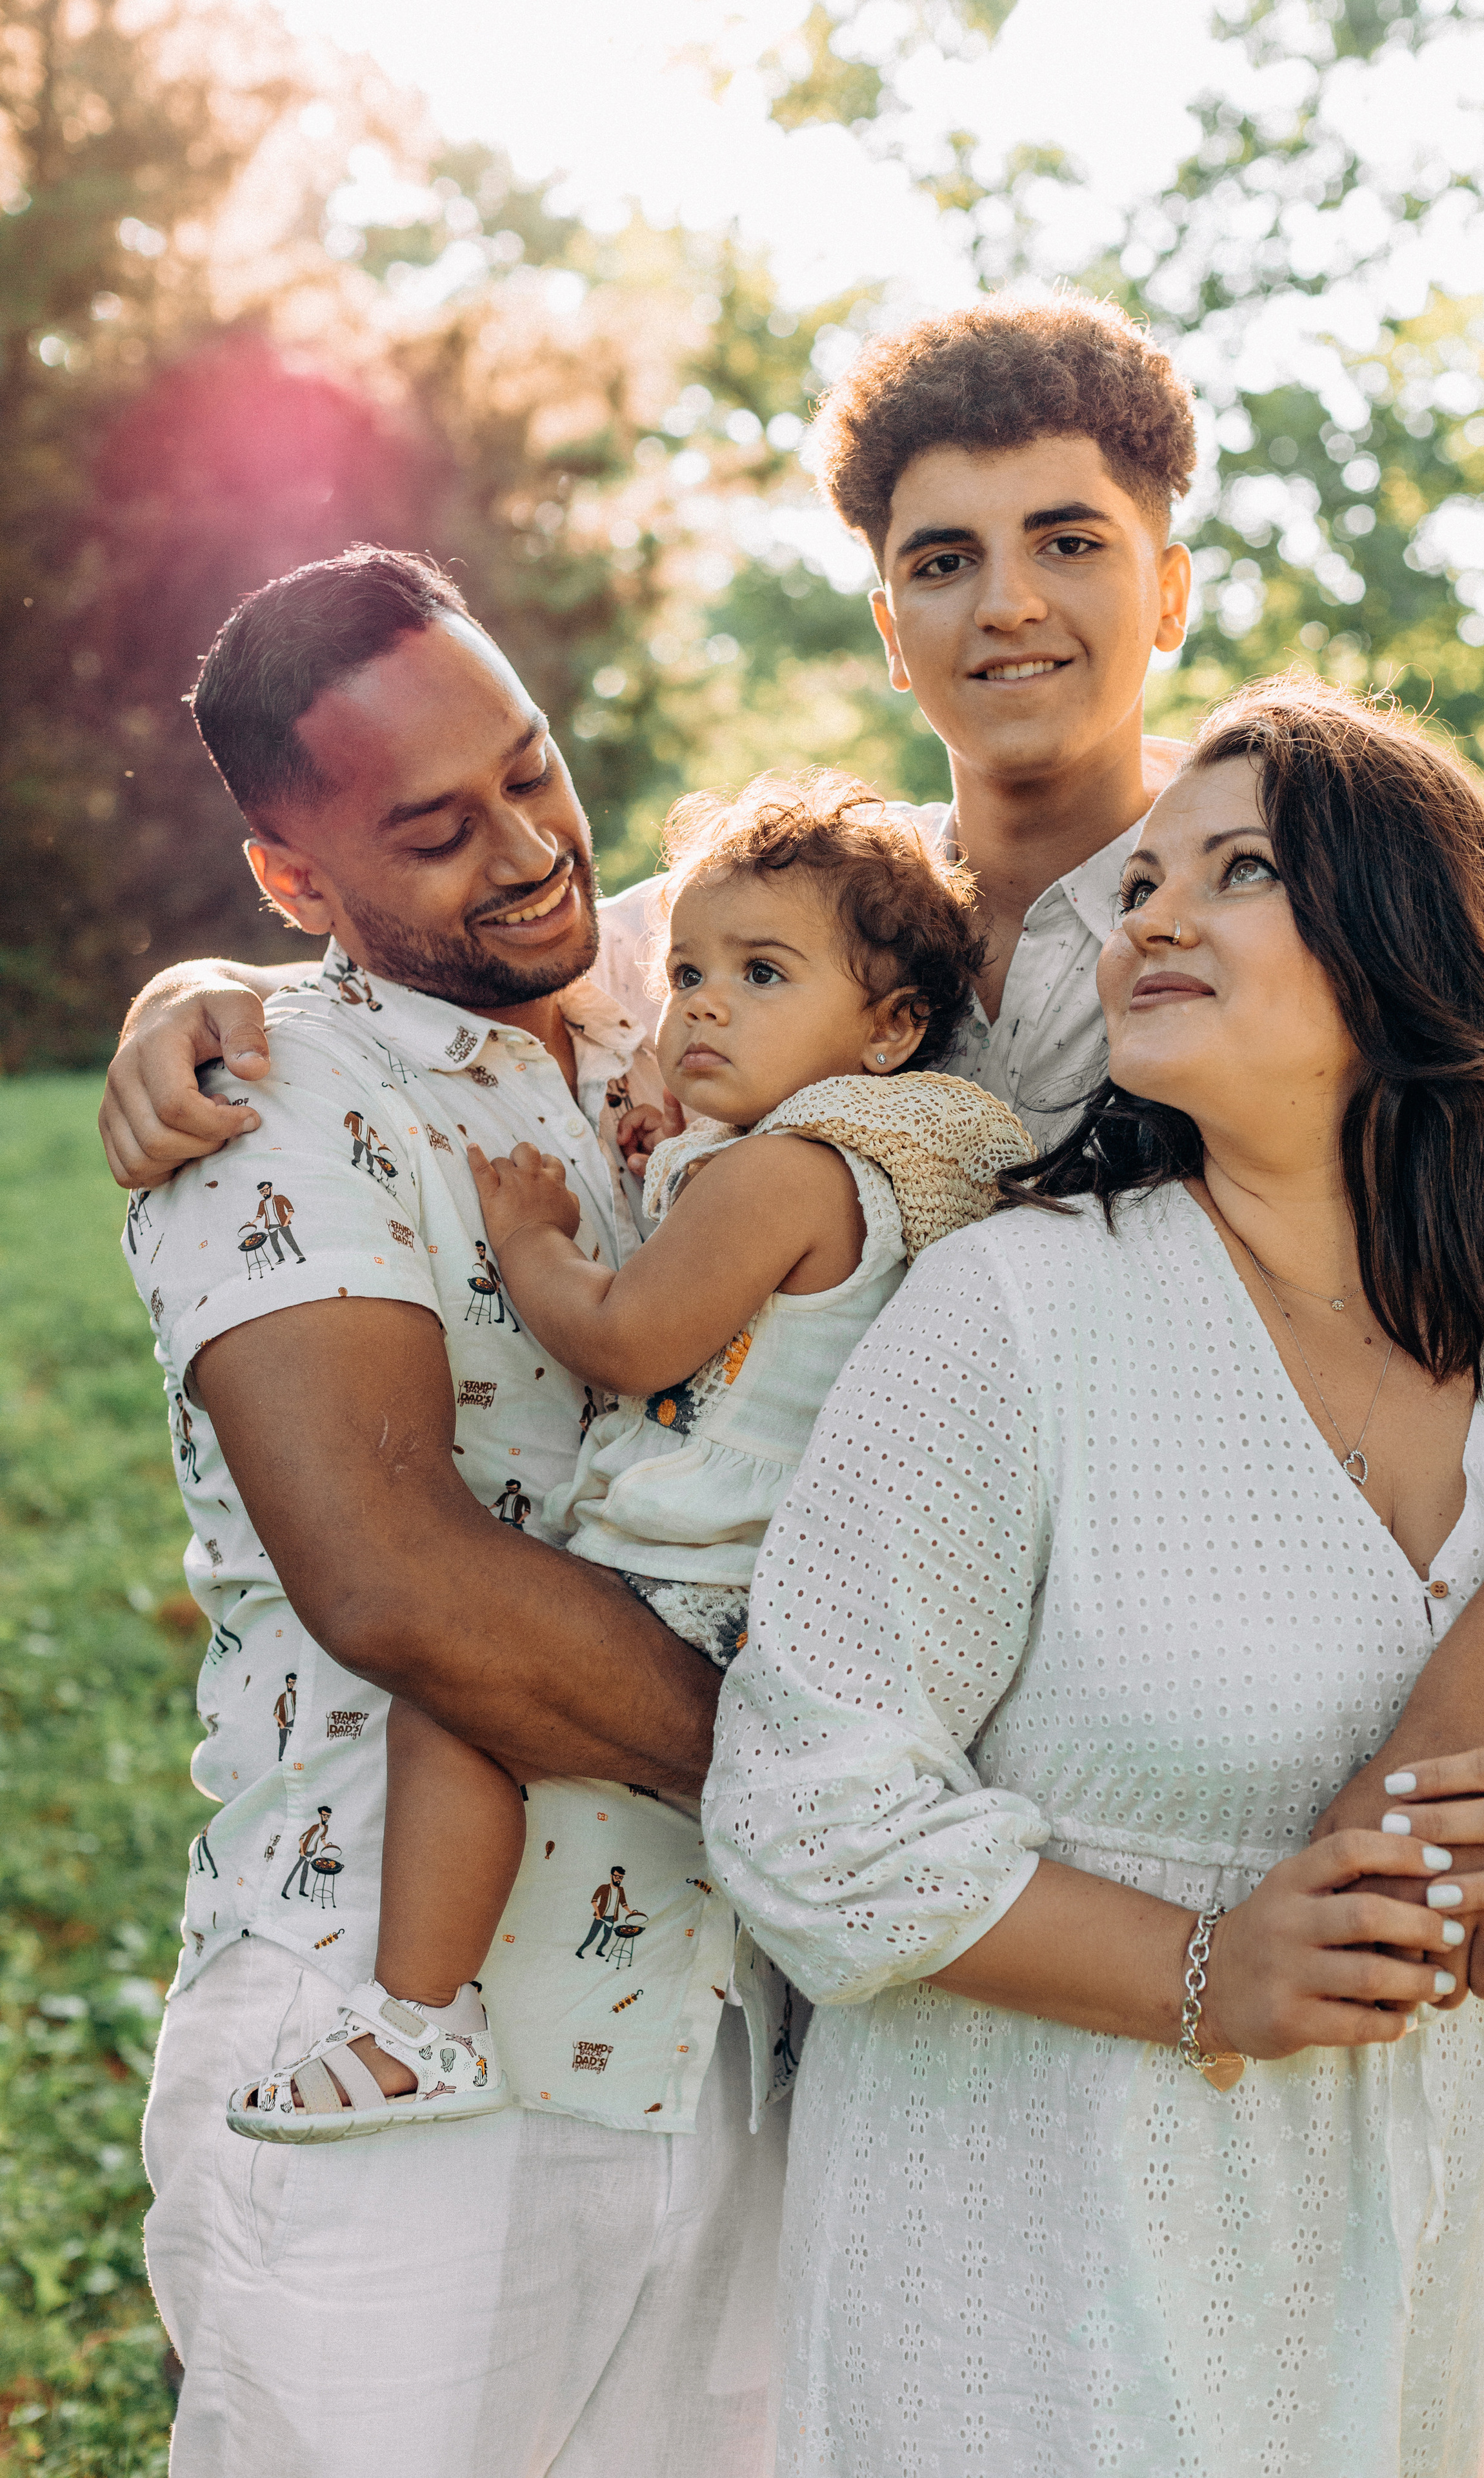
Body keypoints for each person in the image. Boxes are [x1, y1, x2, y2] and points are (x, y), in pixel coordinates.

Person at [96, 297, 1484, 1942]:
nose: (1011, 605)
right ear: (887, 629)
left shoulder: (1286, 938)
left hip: (1221, 1777)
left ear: (1170, 587)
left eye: (1068, 540)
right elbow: (478, 959)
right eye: (941, 562)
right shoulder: (766, 917)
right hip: (877, 1831)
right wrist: (206, 987)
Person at [702, 679, 1484, 2475]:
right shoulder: (1018, 1315)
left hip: (1430, 2265)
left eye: (1236, 872)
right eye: (1143, 884)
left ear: (1404, 938)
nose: (1150, 917)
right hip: (1039, 2273)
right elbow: (803, 1810)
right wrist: (1204, 1966)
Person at [121, 547, 787, 2478]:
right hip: (397, 2049)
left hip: (713, 2032)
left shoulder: (698, 989)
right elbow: (399, 1581)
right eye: (434, 830)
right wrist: (825, 1784)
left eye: (531, 768)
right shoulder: (271, 1093)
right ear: (294, 884)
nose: (525, 850)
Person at [226, 774, 1028, 2141]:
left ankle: (419, 2023)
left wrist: (535, 1246)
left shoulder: (790, 1174)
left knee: (458, 1708)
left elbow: (627, 1338)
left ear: (890, 1030)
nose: (700, 1005)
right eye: (688, 972)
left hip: (705, 1582)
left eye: (759, 975)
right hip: (753, 1585)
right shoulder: (805, 1165)